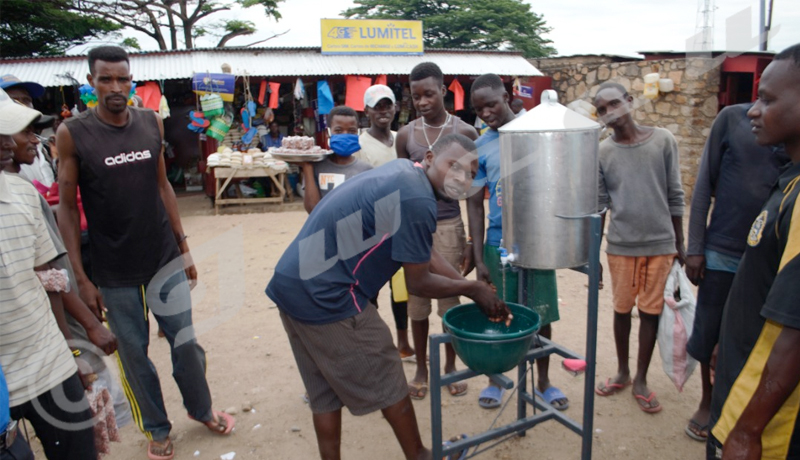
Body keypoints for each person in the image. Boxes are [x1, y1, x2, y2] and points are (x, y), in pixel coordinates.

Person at [266, 133, 510, 460]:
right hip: (328, 294)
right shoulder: (418, 199)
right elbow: (418, 282)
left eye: (469, 172)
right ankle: (419, 455)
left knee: (324, 393)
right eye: (452, 165)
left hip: (291, 283)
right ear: (428, 159)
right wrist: (472, 288)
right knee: (387, 373)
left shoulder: (404, 173)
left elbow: (424, 254)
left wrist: (475, 292)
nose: (459, 177)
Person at [56, 46, 234, 460]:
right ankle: (156, 427)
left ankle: (201, 409)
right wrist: (81, 279)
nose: (116, 87)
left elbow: (162, 187)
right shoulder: (74, 134)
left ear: (131, 80)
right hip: (113, 269)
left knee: (185, 343)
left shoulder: (150, 122)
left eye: (123, 78)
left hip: (163, 257)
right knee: (134, 355)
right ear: (91, 83)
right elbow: (66, 207)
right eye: (106, 79)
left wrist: (184, 245)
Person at [706, 43, 800, 460]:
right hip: (741, 385)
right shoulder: (788, 181)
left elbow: (796, 331)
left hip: (762, 423)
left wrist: (747, 432)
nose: (752, 110)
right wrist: (729, 338)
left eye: (768, 98)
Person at [0, 87, 97, 460]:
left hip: (49, 368)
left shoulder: (24, 195)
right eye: (3, 131)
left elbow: (50, 279)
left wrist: (70, 348)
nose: (11, 141)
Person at [683, 103, 788, 441]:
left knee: (758, 334)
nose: (759, 108)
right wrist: (696, 246)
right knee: (709, 329)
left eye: (771, 98)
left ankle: (745, 405)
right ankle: (709, 400)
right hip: (723, 247)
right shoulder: (732, 118)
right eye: (760, 96)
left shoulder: (789, 134)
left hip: (772, 252)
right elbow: (703, 186)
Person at [467, 74, 568, 411]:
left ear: (508, 96)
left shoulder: (535, 129)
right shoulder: (481, 146)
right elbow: (473, 202)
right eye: (478, 109)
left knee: (541, 314)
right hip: (498, 242)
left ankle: (543, 381)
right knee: (497, 309)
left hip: (537, 240)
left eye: (491, 104)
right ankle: (496, 378)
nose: (486, 113)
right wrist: (479, 255)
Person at [592, 81, 685, 414]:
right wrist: (594, 254)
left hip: (660, 245)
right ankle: (622, 371)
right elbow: (600, 204)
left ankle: (642, 378)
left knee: (650, 312)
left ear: (629, 101)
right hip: (620, 246)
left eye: (614, 104)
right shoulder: (603, 151)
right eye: (601, 110)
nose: (609, 113)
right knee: (621, 310)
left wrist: (680, 243)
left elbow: (675, 194)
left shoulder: (662, 140)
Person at [396, 62, 478, 400]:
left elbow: (473, 192)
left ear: (443, 90)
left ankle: (449, 365)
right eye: (416, 96)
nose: (423, 101)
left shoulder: (466, 132)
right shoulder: (406, 135)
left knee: (449, 300)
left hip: (447, 226)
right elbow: (401, 183)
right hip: (415, 228)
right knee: (417, 303)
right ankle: (421, 368)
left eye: (429, 93)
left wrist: (472, 240)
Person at [355, 84, 415, 358]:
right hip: (370, 228)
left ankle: (403, 343)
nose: (383, 111)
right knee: (370, 289)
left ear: (395, 108)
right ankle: (374, 344)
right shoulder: (359, 143)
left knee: (400, 289)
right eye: (377, 106)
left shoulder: (400, 138)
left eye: (387, 105)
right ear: (366, 111)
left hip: (401, 226)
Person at [302, 106, 372, 213]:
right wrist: (307, 167)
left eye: (351, 131)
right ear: (328, 133)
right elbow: (312, 210)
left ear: (358, 133)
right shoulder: (316, 166)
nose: (345, 135)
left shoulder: (366, 170)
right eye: (338, 130)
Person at [0, 74, 56, 187]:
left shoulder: (43, 148)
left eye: (26, 100)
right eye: (13, 100)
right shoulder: (6, 157)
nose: (23, 106)